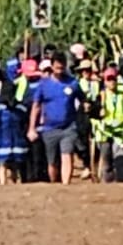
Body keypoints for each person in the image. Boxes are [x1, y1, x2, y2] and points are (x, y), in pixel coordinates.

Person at [27, 53, 84, 184]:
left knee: (67, 155)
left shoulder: (73, 82)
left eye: (62, 67)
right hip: (49, 129)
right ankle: (54, 185)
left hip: (68, 127)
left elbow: (83, 100)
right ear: (52, 66)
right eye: (57, 67)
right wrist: (32, 128)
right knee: (52, 162)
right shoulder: (43, 85)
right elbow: (36, 106)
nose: (60, 69)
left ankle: (66, 185)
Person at [0, 57, 26, 183]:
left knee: (14, 158)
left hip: (11, 125)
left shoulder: (9, 85)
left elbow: (16, 102)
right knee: (0, 159)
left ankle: (15, 181)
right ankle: (2, 182)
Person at [93, 65, 123, 182]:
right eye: (109, 79)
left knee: (121, 159)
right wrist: (99, 112)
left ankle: (122, 186)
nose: (112, 82)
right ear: (105, 81)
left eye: (114, 79)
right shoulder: (100, 96)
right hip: (105, 133)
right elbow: (93, 114)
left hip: (121, 132)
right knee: (106, 161)